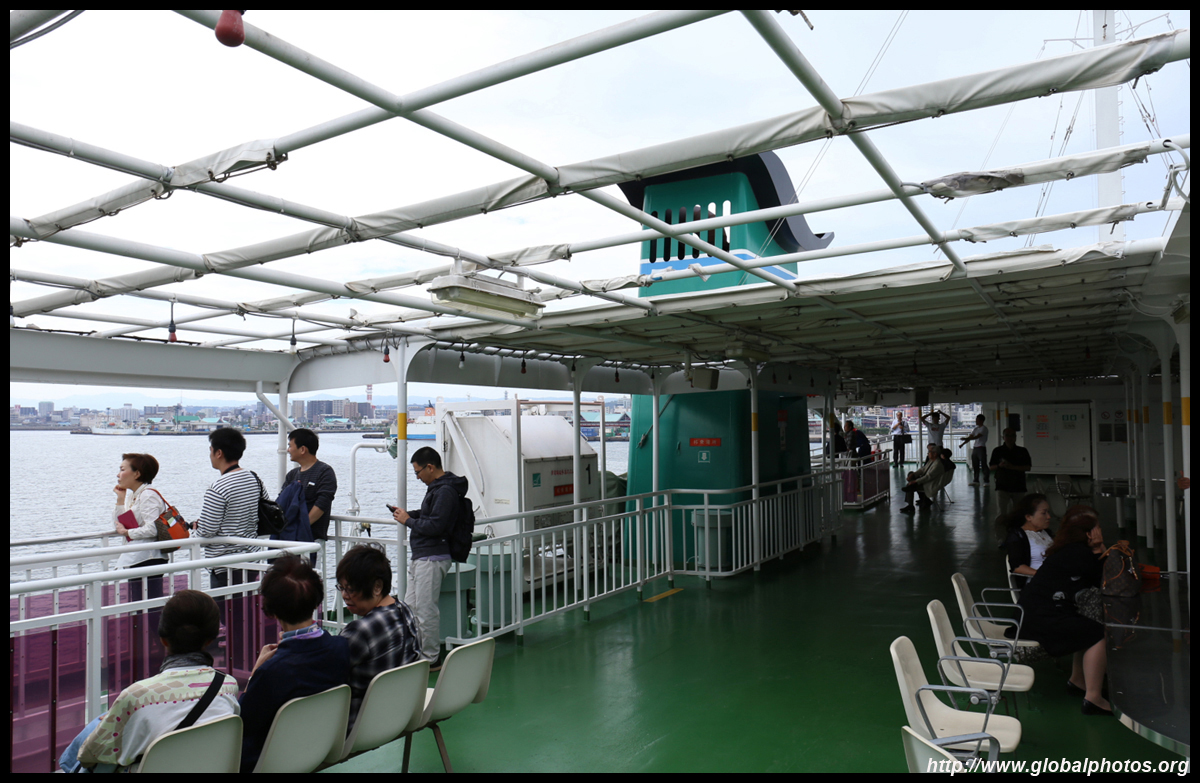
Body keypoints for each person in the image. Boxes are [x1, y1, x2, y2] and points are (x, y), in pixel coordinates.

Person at [59, 590, 240, 772]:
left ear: (163, 640)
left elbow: (88, 757)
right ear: (210, 639)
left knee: (98, 729)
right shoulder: (227, 686)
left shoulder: (137, 697)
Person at [239, 554, 350, 771]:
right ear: (317, 599)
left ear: (272, 611)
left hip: (270, 761)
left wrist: (254, 674)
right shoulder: (341, 647)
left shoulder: (271, 671)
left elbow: (243, 723)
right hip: (320, 747)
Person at [1012, 506, 1110, 715]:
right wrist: (1098, 548)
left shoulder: (1068, 550)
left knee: (1085, 629)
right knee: (1098, 634)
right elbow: (1102, 579)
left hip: (1033, 615)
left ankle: (1078, 681)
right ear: (1089, 533)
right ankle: (1093, 698)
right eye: (1098, 529)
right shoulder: (1080, 553)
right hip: (1041, 620)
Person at [391, 446, 469, 668]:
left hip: (432, 557)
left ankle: (431, 658)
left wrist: (408, 521)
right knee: (412, 608)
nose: (417, 477)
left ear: (430, 467)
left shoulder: (445, 491)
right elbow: (431, 516)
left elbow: (436, 526)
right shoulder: (440, 489)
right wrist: (408, 515)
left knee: (425, 611)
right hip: (424, 556)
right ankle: (418, 653)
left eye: (418, 472)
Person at [336, 544, 422, 731]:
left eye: (351, 589)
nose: (344, 595)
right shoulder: (404, 610)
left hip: (359, 725)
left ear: (377, 587)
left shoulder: (360, 631)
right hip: (400, 713)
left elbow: (324, 674)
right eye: (341, 588)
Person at [196, 427, 270, 590]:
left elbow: (207, 531)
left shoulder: (218, 488)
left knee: (225, 605)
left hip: (226, 564)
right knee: (246, 604)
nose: (210, 455)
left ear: (219, 453)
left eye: (210, 450)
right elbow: (264, 507)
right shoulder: (254, 479)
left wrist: (196, 530)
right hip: (252, 559)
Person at [110, 453, 169, 602]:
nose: (118, 474)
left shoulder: (147, 495)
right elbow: (119, 524)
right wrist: (120, 499)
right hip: (138, 557)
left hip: (149, 558)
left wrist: (127, 532)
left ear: (137, 474)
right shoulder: (135, 495)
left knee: (149, 605)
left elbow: (153, 529)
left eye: (122, 469)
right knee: (140, 604)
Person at [283, 428, 338, 567]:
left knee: (308, 576)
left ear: (302, 449)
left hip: (312, 539)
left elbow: (322, 504)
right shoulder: (292, 475)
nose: (288, 450)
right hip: (289, 539)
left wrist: (302, 527)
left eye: (290, 446)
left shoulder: (324, 472)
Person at [998, 493, 1053, 592]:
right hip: (1037, 586)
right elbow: (1017, 566)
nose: (1048, 517)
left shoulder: (1047, 533)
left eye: (1048, 512)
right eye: (1044, 513)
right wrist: (1042, 574)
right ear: (1028, 517)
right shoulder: (1018, 536)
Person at [989, 427, 1032, 518]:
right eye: (1007, 435)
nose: (1010, 438)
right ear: (1003, 437)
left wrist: (1012, 467)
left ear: (1015, 437)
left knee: (1019, 512)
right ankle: (1001, 527)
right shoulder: (997, 451)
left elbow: (1028, 467)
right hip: (1002, 485)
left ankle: (1017, 527)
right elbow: (991, 467)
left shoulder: (1022, 451)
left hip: (1018, 485)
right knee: (1001, 513)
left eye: (1012, 435)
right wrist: (999, 466)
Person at [899, 443, 945, 513]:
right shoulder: (932, 461)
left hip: (930, 484)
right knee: (911, 474)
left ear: (935, 454)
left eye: (929, 452)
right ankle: (913, 491)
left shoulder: (937, 464)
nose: (928, 453)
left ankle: (910, 505)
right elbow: (923, 469)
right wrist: (913, 474)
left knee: (910, 486)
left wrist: (915, 481)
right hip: (926, 481)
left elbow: (928, 477)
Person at [960, 414, 990, 487]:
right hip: (975, 448)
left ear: (981, 420)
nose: (976, 421)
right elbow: (971, 437)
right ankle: (976, 481)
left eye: (977, 420)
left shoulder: (984, 428)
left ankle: (986, 481)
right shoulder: (976, 429)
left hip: (981, 448)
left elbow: (977, 437)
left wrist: (966, 438)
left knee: (983, 465)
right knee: (975, 465)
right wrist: (963, 444)